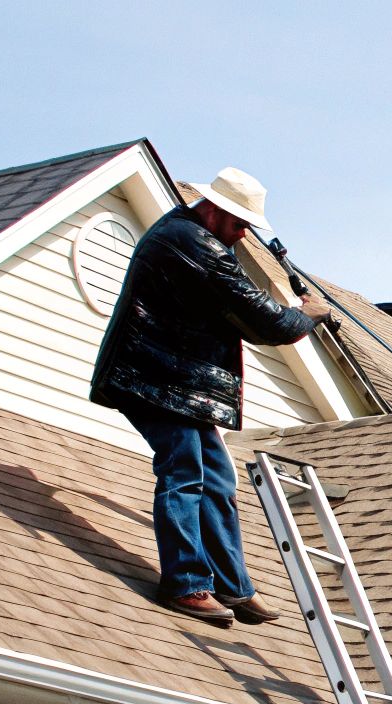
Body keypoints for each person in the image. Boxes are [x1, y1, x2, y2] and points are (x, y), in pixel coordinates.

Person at [90, 167, 339, 626]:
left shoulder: (193, 237)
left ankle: (233, 586)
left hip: (179, 384)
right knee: (183, 470)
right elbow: (268, 324)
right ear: (215, 208)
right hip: (152, 378)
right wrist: (309, 314)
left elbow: (243, 315)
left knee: (218, 479)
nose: (245, 232)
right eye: (240, 221)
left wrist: (296, 314)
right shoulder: (194, 244)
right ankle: (185, 584)